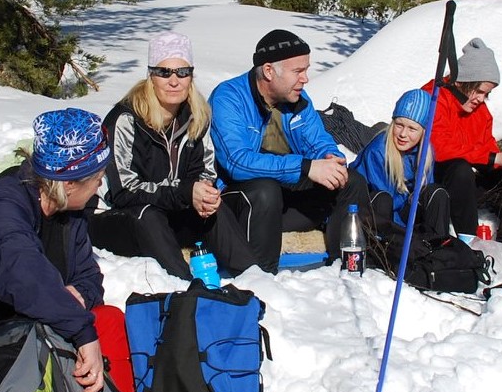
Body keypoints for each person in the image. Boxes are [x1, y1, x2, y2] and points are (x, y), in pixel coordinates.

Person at [0, 107, 111, 392]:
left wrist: (77, 294)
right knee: (90, 334)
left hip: (32, 327)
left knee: (110, 319)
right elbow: (24, 277)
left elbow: (89, 276)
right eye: (97, 178)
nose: (100, 186)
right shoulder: (2, 211)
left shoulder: (70, 211)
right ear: (69, 183)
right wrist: (80, 329)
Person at [89, 34, 254, 280]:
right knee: (148, 214)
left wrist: (203, 195)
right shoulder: (126, 119)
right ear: (151, 76)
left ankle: (254, 277)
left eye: (182, 72)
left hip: (169, 214)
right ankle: (185, 286)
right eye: (164, 73)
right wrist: (185, 192)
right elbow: (124, 192)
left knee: (215, 208)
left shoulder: (197, 116)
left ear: (191, 77)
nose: (174, 81)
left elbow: (204, 173)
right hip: (116, 219)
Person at [209, 28, 369, 273]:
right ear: (269, 71)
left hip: (284, 198)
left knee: (350, 180)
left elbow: (319, 140)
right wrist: (305, 167)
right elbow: (236, 162)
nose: (305, 78)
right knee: (266, 189)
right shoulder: (229, 97)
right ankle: (261, 276)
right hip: (241, 200)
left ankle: (345, 267)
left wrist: (331, 159)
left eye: (306, 70)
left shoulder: (298, 100)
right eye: (298, 71)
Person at [423, 38, 502, 247]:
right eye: (478, 91)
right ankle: (468, 241)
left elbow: (488, 151)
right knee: (460, 168)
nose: (481, 99)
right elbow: (437, 147)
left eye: (486, 94)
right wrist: (494, 158)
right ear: (461, 82)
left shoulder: (480, 112)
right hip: (434, 183)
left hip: (465, 188)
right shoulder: (433, 97)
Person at [357, 88, 452, 239]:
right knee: (383, 199)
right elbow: (389, 203)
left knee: (436, 193)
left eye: (412, 128)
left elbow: (425, 191)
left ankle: (437, 243)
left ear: (423, 132)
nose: (403, 134)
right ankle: (391, 245)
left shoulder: (424, 153)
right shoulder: (378, 151)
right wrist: (406, 235)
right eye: (399, 125)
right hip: (374, 214)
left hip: (403, 212)